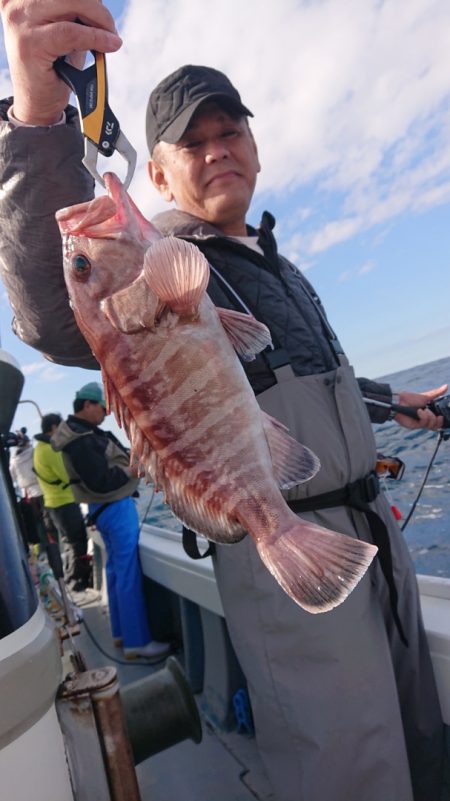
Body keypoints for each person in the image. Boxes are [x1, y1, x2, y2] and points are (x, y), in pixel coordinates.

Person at [0, 3, 445, 798]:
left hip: (375, 543)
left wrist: (394, 401)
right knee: (353, 772)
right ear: (157, 176)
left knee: (421, 742)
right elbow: (48, 309)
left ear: (256, 147)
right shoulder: (170, 268)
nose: (217, 151)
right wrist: (36, 117)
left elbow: (305, 376)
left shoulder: (275, 263)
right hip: (288, 550)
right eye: (191, 143)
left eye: (229, 131)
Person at [50, 381, 171, 662]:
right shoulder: (82, 440)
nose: (106, 414)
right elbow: (101, 481)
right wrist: (131, 471)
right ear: (88, 405)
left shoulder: (81, 434)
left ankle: (120, 633)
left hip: (102, 510)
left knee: (116, 571)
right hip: (115, 509)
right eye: (103, 408)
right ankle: (137, 642)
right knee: (127, 574)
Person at [34, 412, 93, 593]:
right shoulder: (51, 449)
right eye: (61, 426)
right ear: (54, 427)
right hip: (64, 503)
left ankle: (71, 577)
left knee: (68, 542)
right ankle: (75, 581)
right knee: (76, 542)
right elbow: (68, 475)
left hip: (53, 504)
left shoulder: (39, 448)